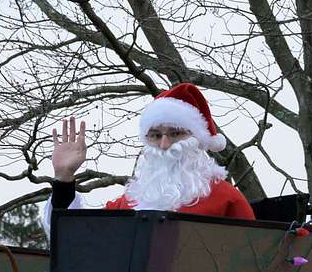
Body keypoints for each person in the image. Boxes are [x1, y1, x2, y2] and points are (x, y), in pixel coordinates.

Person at [44, 83, 255, 232]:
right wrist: (64, 178)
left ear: (198, 140)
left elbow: (254, 264)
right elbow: (78, 240)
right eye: (155, 135)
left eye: (175, 134)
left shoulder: (227, 199)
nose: (164, 145)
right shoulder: (128, 203)